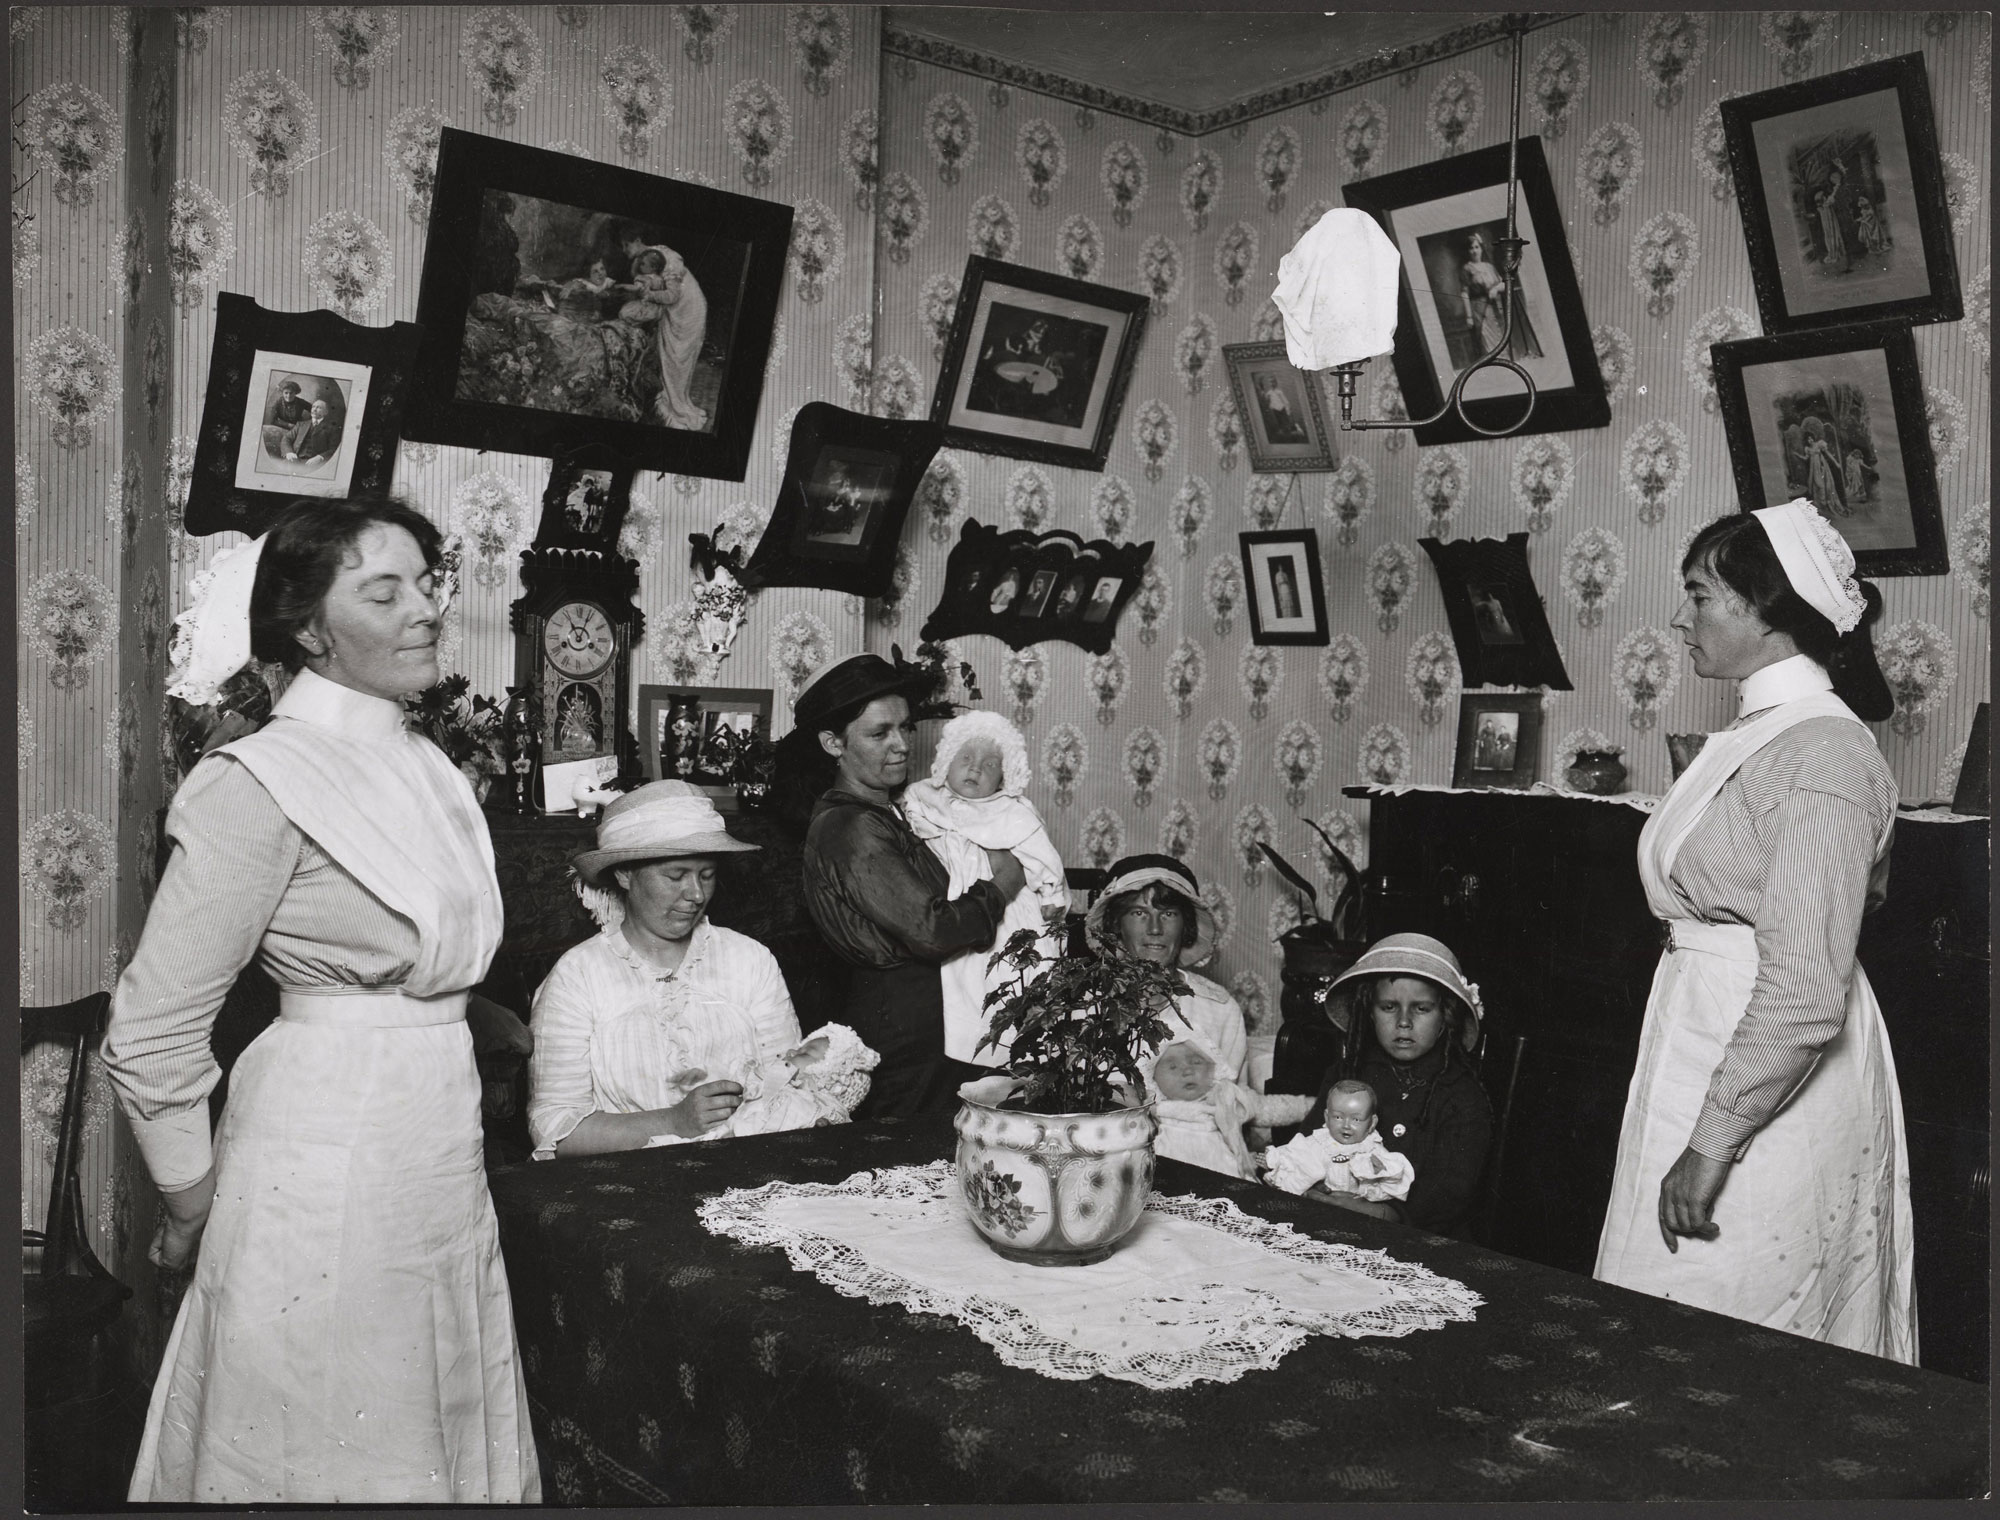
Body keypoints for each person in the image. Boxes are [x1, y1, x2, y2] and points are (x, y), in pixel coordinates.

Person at [100, 497, 539, 1502]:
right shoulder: (256, 780)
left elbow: (446, 975)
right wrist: (191, 1199)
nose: (425, 609)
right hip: (320, 1151)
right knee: (324, 1431)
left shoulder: (427, 764)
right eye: (382, 591)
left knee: (428, 1412)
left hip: (435, 1144)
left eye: (425, 583)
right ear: (308, 630)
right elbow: (152, 1028)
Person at [1595, 499, 1912, 1362]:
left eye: (1700, 596)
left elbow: (1807, 991)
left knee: (1745, 1325)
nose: (1679, 617)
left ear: (1768, 612)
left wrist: (1713, 1141)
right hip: (1707, 1039)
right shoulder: (1759, 733)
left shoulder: (1825, 755)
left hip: (1771, 1071)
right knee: (1676, 1309)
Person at [794, 653, 1027, 1117]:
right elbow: (932, 930)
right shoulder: (849, 826)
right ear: (832, 743)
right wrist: (1003, 884)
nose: (900, 745)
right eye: (880, 733)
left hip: (937, 1019)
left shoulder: (898, 811)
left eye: (905, 728)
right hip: (899, 1026)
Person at [528, 781, 813, 1157]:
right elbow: (555, 1130)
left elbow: (794, 1083)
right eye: (676, 876)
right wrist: (672, 1122)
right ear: (625, 874)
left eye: (706, 875)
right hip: (628, 1188)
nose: (696, 895)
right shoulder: (578, 976)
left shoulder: (750, 960)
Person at [900, 710, 1071, 1069]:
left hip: (1007, 911)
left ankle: (1013, 1047)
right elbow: (911, 819)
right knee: (962, 980)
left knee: (1009, 969)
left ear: (1004, 777)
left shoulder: (1012, 812)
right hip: (959, 904)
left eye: (990, 764)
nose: (975, 769)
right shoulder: (925, 796)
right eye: (966, 759)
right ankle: (971, 1049)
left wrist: (1052, 894)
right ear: (946, 761)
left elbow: (1042, 856)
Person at [1296, 933, 1494, 1237]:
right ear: (1369, 1013)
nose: (1404, 1021)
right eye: (1388, 1007)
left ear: (1446, 1017)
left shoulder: (1461, 1096)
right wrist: (1316, 1185)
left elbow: (1451, 1193)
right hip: (1333, 1220)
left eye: (1422, 1008)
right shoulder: (1346, 1076)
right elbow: (1309, 1143)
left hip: (1420, 1237)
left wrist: (1385, 1213)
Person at [1084, 854, 1250, 1083]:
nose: (1155, 929)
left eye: (1168, 914)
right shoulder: (1083, 1006)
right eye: (1139, 913)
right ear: (1116, 925)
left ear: (1186, 926)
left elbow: (1233, 1108)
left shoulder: (1220, 1011)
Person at [1150, 1031, 1312, 1180]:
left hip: (1221, 1169)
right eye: (1172, 1067)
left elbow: (1265, 1108)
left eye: (1196, 1062)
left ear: (1212, 1068)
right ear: (1153, 1076)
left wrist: (1311, 1105)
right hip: (1170, 1172)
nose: (1187, 1071)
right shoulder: (1152, 1109)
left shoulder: (1223, 1096)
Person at [1262, 1078, 1417, 1203]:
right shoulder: (1318, 1142)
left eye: (1356, 1119)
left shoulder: (1372, 1149)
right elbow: (1292, 1158)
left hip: (1356, 1210)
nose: (1346, 1125)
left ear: (1372, 1123)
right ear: (1326, 1118)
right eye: (1338, 1117)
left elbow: (1391, 1181)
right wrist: (1272, 1161)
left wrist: (1370, 1189)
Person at [619, 243, 708, 430]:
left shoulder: (667, 258)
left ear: (631, 242)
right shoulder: (650, 257)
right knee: (672, 362)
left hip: (687, 313)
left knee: (677, 361)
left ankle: (676, 412)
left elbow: (672, 296)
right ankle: (671, 406)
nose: (625, 253)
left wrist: (648, 294)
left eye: (625, 247)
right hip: (676, 313)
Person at [1460, 230, 1544, 360]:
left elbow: (1504, 284)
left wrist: (1496, 289)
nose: (1475, 251)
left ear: (1481, 249)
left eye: (1477, 247)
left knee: (1502, 336)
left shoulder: (1489, 266)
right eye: (1471, 248)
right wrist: (1469, 316)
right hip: (1480, 310)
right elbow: (1464, 293)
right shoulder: (1467, 269)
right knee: (1487, 339)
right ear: (1467, 251)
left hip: (1497, 307)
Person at [282, 397, 343, 466]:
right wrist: (289, 452)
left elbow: (334, 449)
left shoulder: (332, 429)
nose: (314, 409)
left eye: (319, 407)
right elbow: (287, 438)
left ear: (326, 412)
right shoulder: (301, 424)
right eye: (313, 407)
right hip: (294, 459)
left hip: (314, 463)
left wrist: (320, 457)